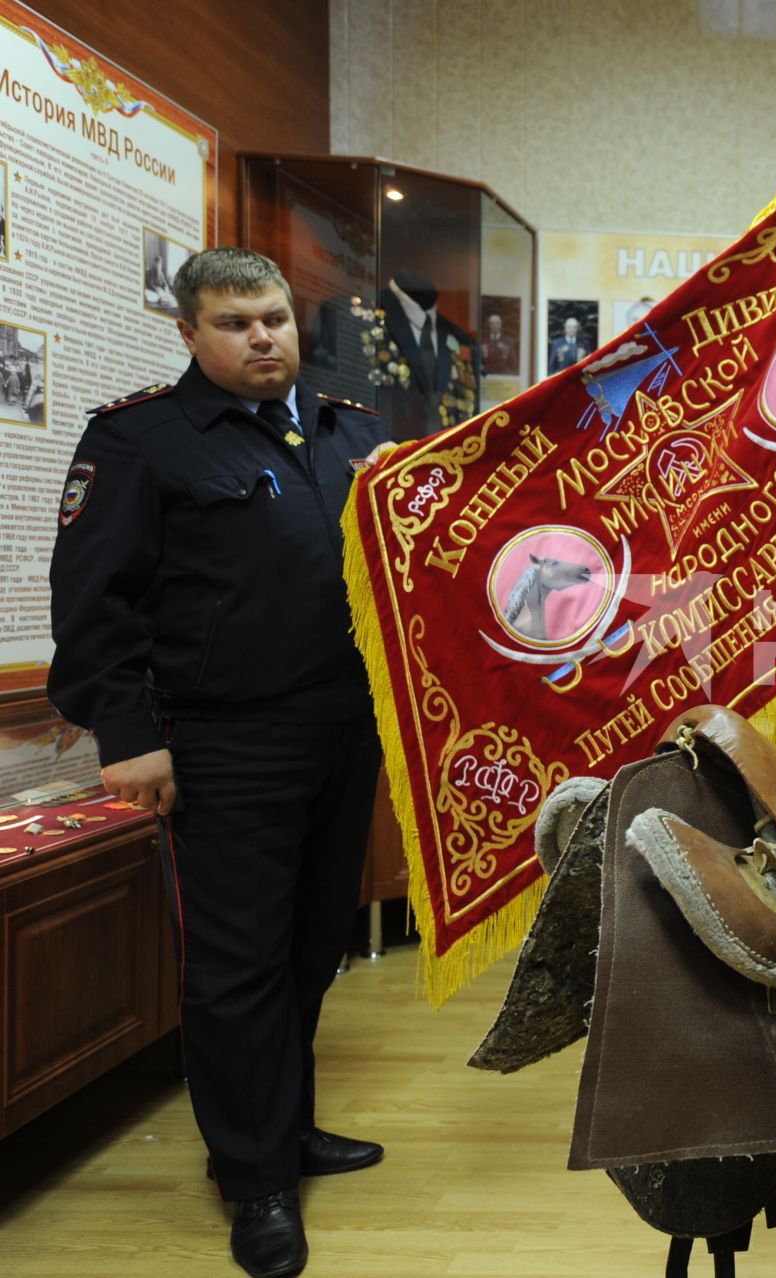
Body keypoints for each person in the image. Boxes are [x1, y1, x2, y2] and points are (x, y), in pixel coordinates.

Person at [48, 248, 394, 1278]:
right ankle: (254, 1182)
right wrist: (127, 737)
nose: (263, 338)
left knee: (310, 946)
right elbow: (93, 607)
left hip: (344, 732)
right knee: (238, 966)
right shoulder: (141, 439)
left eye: (276, 318)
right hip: (222, 742)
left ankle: (283, 1129)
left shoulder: (351, 432)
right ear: (189, 334)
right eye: (236, 322)